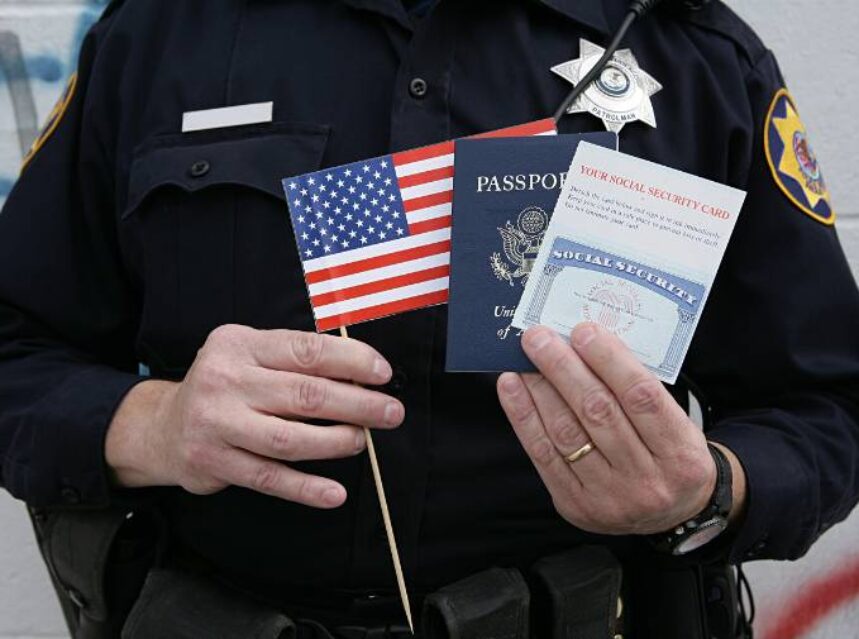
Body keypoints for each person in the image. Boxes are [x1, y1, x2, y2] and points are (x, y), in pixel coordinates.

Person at [1, 0, 858, 637]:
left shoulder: (691, 53)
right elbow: (18, 349)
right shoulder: (161, 34)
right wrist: (152, 424)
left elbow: (824, 402)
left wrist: (708, 490)